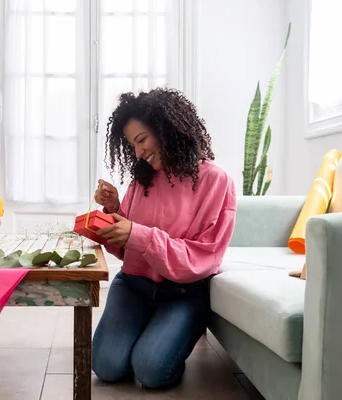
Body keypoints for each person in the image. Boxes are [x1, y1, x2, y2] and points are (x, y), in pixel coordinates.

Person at [91, 87, 237, 390]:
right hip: (134, 285)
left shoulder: (215, 181)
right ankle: (147, 329)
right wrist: (114, 210)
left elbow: (201, 258)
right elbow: (125, 247)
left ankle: (158, 335)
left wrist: (137, 234)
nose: (139, 152)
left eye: (142, 140)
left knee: (151, 371)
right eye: (133, 145)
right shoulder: (143, 178)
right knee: (106, 367)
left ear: (167, 129)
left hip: (183, 294)